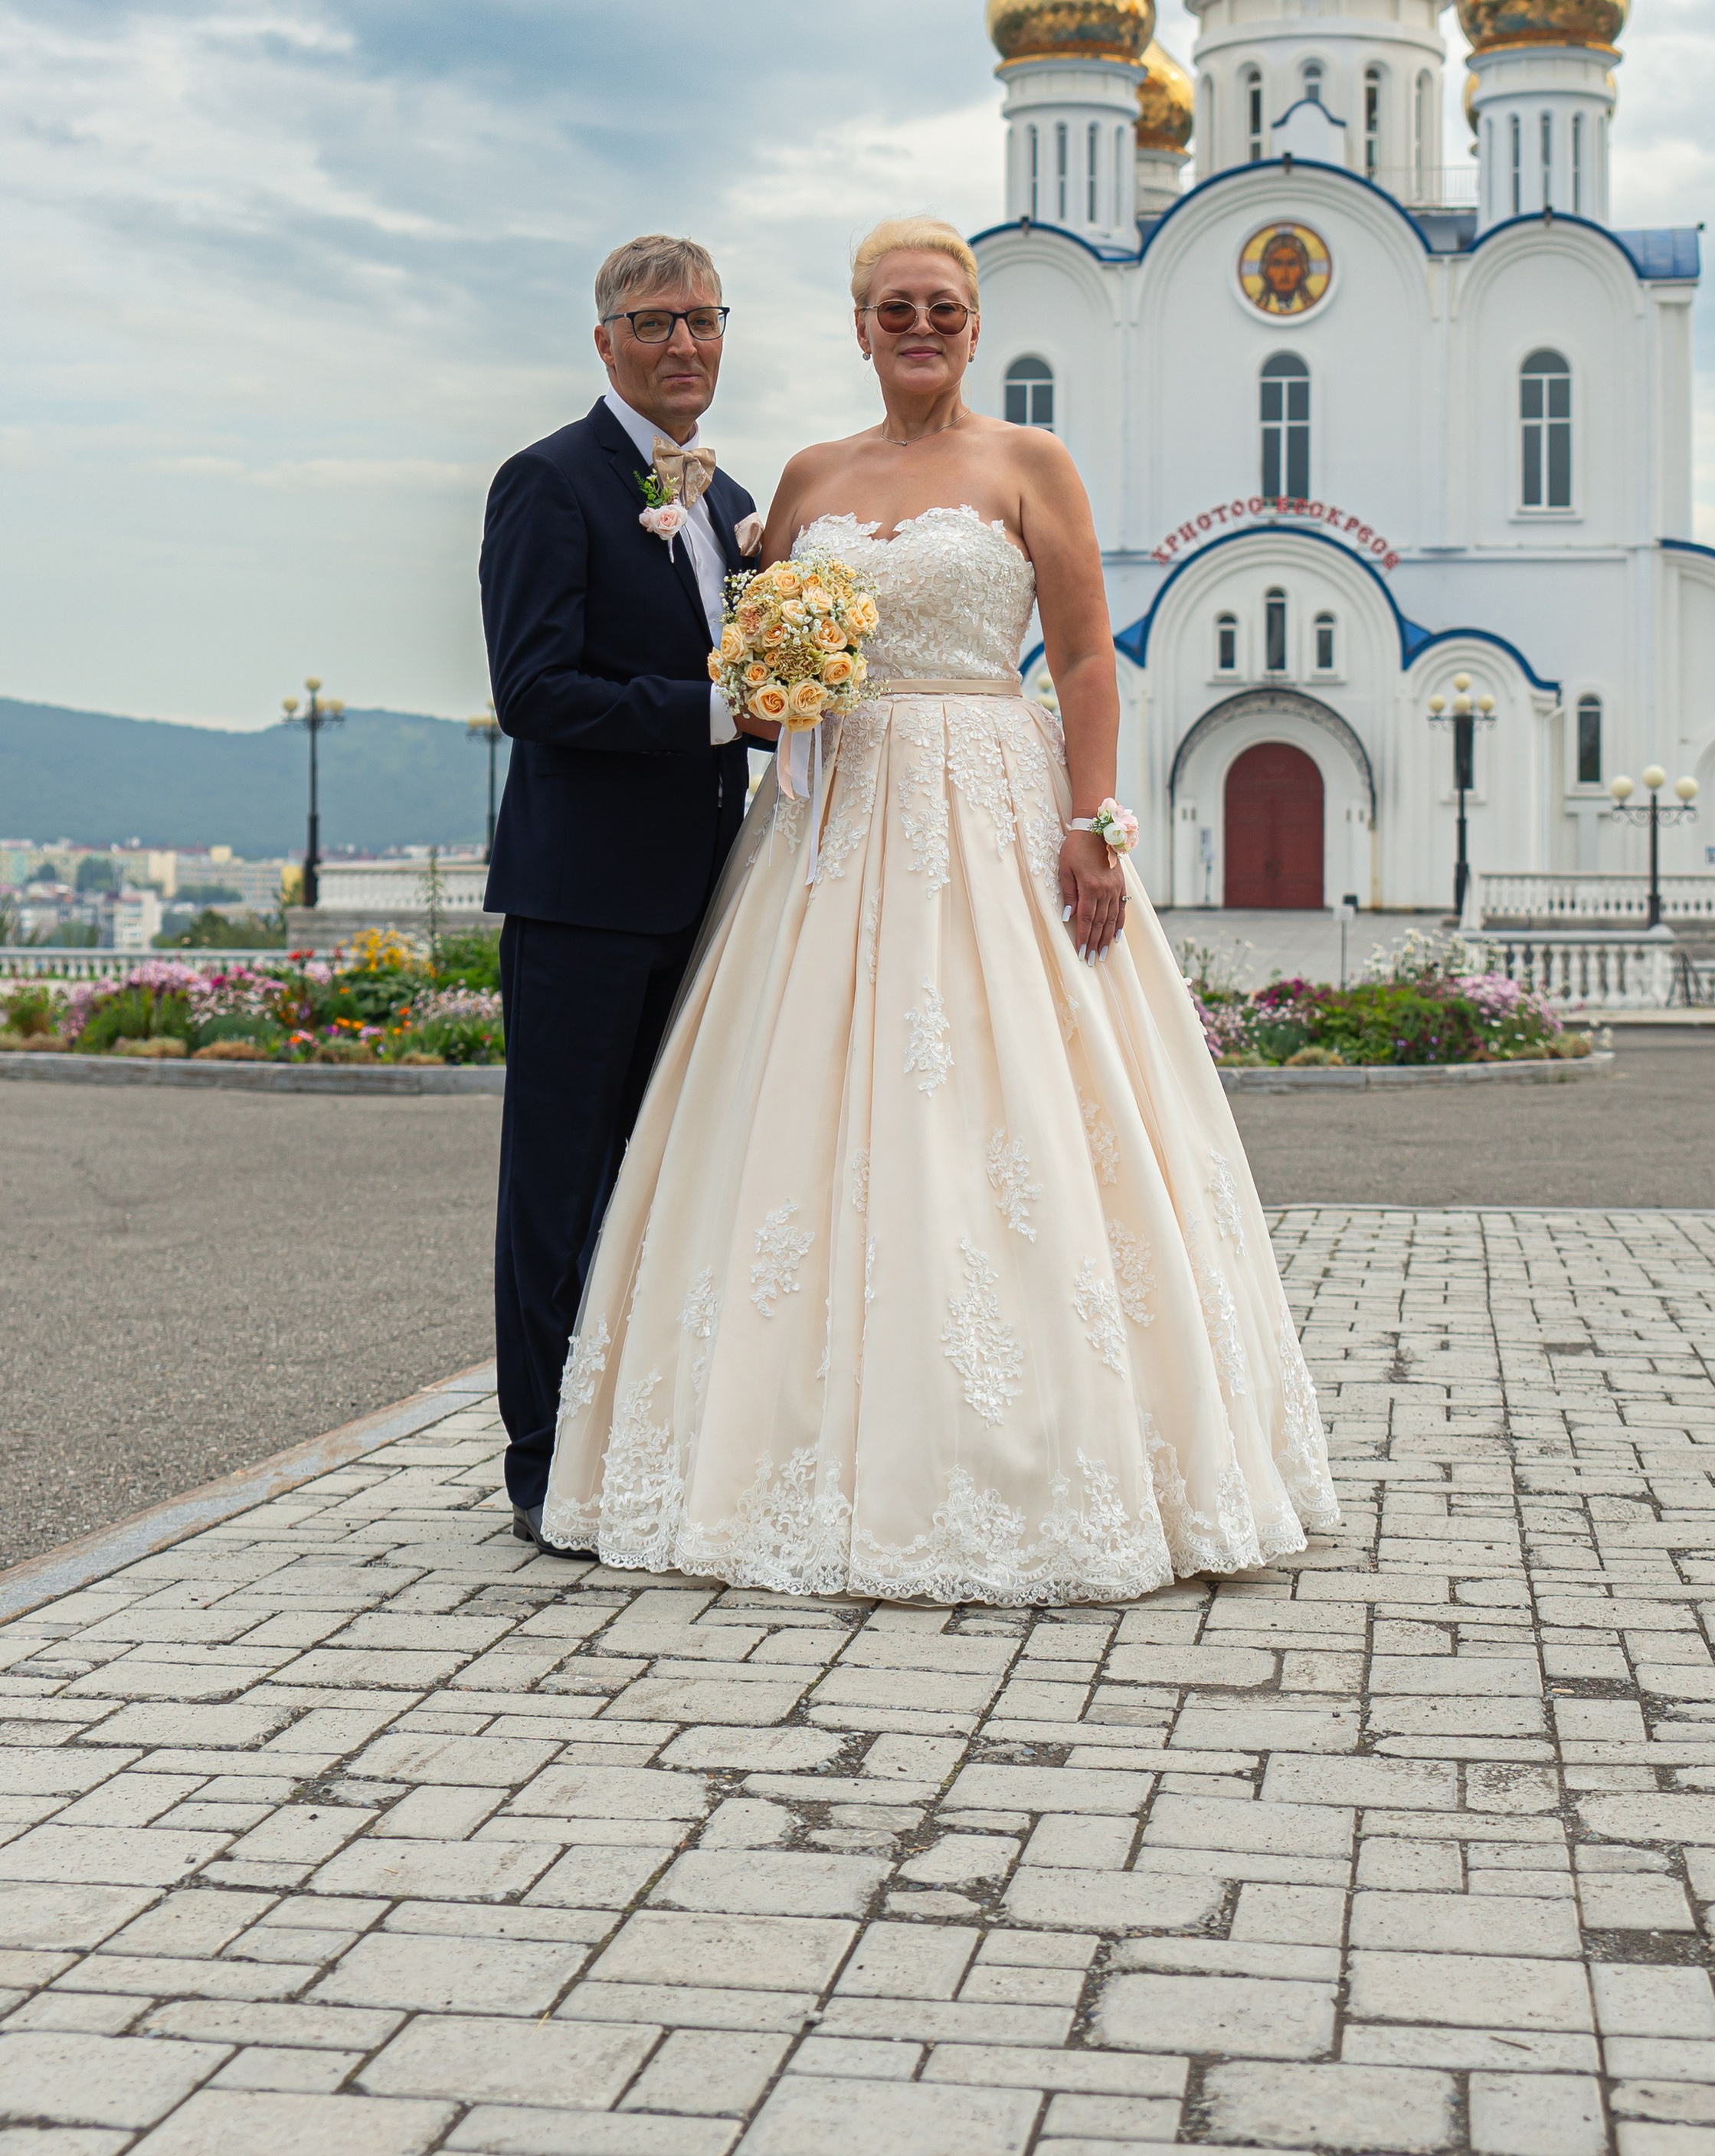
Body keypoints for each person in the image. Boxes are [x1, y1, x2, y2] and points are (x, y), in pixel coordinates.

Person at [541, 216, 1339, 1601]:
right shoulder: (803, 479)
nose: (922, 325)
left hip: (994, 803)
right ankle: (766, 1448)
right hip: (833, 818)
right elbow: (752, 650)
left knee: (1011, 1101)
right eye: (896, 307)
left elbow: (1086, 656)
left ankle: (1065, 1451)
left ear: (978, 328)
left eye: (947, 308)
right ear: (859, 328)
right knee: (804, 1111)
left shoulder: (1031, 465)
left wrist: (1094, 826)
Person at [480, 232, 765, 1551]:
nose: (682, 345)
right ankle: (542, 1460)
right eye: (653, 325)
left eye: (701, 320)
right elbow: (535, 692)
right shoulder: (546, 483)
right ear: (604, 343)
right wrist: (718, 711)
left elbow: (764, 693)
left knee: (664, 1179)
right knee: (560, 1182)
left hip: (711, 895)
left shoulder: (727, 500)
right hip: (583, 897)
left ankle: (633, 1438)